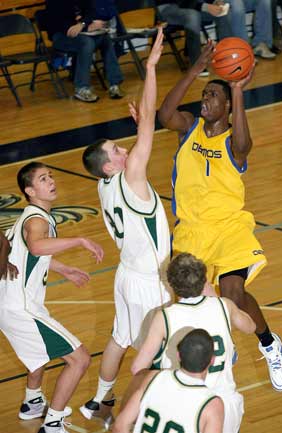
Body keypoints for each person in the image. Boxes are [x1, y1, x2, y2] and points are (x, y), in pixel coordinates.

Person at [157, 41, 282, 392]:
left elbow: (245, 146)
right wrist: (194, 69)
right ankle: (220, 345)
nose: (205, 99)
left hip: (230, 228)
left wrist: (237, 88)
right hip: (190, 232)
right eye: (204, 93)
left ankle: (267, 342)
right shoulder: (188, 127)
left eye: (212, 96)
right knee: (192, 303)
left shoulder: (234, 142)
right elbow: (164, 115)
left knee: (232, 292)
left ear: (227, 106)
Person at [80, 28, 171, 429]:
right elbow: (151, 122)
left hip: (125, 274)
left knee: (119, 339)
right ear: (111, 166)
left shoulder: (103, 185)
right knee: (156, 353)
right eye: (117, 151)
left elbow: (141, 135)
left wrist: (138, 135)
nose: (124, 150)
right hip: (150, 280)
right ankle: (141, 415)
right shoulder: (130, 175)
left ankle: (99, 400)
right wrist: (150, 68)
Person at [0, 162, 104, 433]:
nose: (51, 181)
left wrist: (63, 268)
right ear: (30, 190)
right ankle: (53, 423)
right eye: (43, 179)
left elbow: (27, 254)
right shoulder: (36, 220)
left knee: (39, 353)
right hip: (20, 307)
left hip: (10, 304)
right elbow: (36, 246)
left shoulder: (28, 215)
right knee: (80, 359)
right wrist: (80, 240)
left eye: (51, 176)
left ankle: (32, 403)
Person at [132, 253, 256, 433]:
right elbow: (250, 327)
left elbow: (137, 368)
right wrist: (215, 297)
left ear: (171, 284)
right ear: (205, 280)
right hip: (224, 403)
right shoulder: (224, 305)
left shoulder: (165, 317)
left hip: (185, 404)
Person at [114, 329, 224, 433]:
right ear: (212, 360)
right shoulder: (212, 406)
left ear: (178, 355)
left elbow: (120, 426)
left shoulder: (153, 377)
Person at [45, 0, 124, 102]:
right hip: (61, 35)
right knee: (87, 43)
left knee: (105, 39)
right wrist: (80, 26)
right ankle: (81, 88)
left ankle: (114, 84)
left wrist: (83, 24)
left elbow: (91, 11)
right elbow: (56, 22)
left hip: (81, 32)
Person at [156, 0, 233, 76]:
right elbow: (182, 2)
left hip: (193, 5)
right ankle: (197, 64)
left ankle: (227, 57)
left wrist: (214, 1)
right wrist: (205, 6)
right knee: (193, 16)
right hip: (169, 6)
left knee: (223, 12)